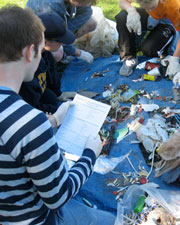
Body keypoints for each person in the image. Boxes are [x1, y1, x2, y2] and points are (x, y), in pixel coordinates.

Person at [0, 5, 115, 224]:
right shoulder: (30, 123)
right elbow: (58, 197)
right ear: (28, 51)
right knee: (110, 219)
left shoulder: (26, 121)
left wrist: (52, 120)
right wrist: (90, 155)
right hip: (33, 219)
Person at [19, 12, 77, 114]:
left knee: (53, 99)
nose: (62, 43)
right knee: (51, 104)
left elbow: (52, 73)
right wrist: (55, 112)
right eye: (59, 41)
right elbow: (31, 105)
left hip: (39, 89)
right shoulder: (28, 70)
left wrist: (59, 94)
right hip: (28, 101)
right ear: (44, 41)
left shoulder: (45, 53)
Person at [115, 0, 180, 76]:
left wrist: (175, 58)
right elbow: (122, 1)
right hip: (151, 17)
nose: (149, 9)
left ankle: (165, 50)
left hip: (167, 21)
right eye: (144, 6)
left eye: (151, 6)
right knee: (122, 16)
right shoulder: (149, 8)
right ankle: (129, 57)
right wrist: (131, 11)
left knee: (148, 49)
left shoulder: (173, 5)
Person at [26, 0, 98, 64]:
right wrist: (78, 53)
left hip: (51, 30)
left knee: (92, 23)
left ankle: (63, 48)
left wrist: (67, 31)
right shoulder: (49, 8)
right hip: (35, 37)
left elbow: (86, 11)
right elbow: (52, 38)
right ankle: (45, 58)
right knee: (57, 53)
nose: (87, 5)